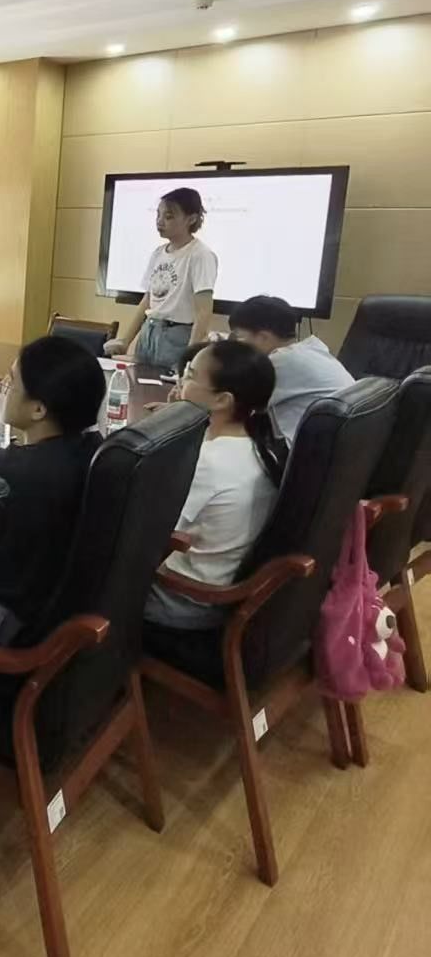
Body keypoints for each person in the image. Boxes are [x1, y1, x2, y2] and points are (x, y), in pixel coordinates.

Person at [0, 335, 106, 644]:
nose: (3, 388)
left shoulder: (2, 474)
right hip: (61, 616)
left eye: (11, 382)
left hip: (8, 625)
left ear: (38, 409)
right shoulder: (100, 452)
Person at [145, 340, 287, 629]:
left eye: (189, 375)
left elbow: (148, 535)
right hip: (219, 589)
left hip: (182, 601)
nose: (180, 382)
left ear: (222, 400)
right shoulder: (260, 445)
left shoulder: (207, 461)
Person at [106, 187, 217, 371]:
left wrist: (189, 359)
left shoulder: (200, 255)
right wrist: (125, 340)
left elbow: (203, 312)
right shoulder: (158, 253)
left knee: (168, 385)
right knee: (140, 380)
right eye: (158, 214)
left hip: (177, 335)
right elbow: (147, 301)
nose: (160, 221)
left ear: (191, 219)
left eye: (169, 216)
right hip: (150, 331)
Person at [228, 294, 353, 441]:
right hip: (341, 444)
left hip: (306, 450)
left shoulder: (279, 363)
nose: (236, 346)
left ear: (263, 338)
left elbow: (227, 400)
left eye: (239, 338)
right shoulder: (313, 348)